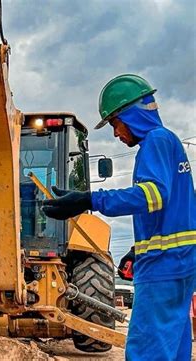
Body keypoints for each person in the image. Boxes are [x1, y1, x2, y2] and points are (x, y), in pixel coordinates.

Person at [42, 74, 196, 361]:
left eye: (115, 122)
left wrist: (90, 199)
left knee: (146, 352)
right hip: (179, 264)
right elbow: (177, 209)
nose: (115, 133)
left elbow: (152, 195)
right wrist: (139, 249)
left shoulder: (154, 143)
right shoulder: (169, 143)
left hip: (163, 267)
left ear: (132, 114)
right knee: (174, 349)